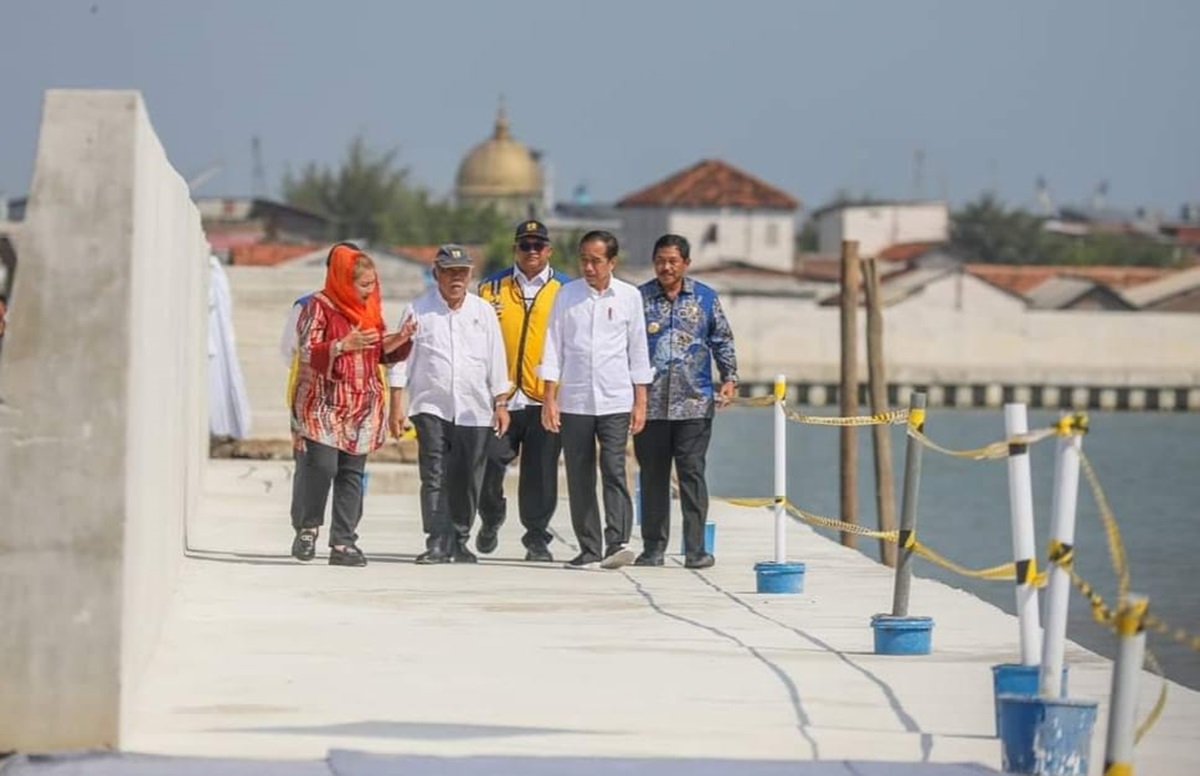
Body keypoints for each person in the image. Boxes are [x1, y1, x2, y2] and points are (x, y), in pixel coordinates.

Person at [290, 244, 414, 566]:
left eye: (373, 284)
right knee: (322, 466)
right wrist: (342, 345)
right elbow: (305, 350)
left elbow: (379, 352)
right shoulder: (318, 306)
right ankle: (308, 527)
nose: (369, 291)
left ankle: (343, 543)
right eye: (363, 285)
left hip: (363, 404)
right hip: (324, 403)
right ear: (344, 280)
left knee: (351, 473)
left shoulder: (371, 309)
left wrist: (401, 338)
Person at [389, 244, 511, 564]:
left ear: (470, 275)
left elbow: (496, 358)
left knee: (469, 475)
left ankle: (459, 537)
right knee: (434, 473)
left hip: (475, 408)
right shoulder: (417, 309)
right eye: (449, 272)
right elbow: (401, 360)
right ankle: (436, 540)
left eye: (462, 272)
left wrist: (500, 402)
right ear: (436, 274)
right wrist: (395, 405)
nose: (456, 279)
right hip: (431, 405)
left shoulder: (483, 311)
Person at [540, 231, 653, 570]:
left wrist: (640, 401)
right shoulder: (566, 295)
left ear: (612, 262)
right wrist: (549, 398)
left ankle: (617, 541)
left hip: (616, 398)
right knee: (579, 473)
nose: (588, 267)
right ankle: (589, 546)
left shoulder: (630, 296)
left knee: (614, 468)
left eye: (596, 260)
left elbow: (637, 349)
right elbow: (552, 346)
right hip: (574, 399)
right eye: (583, 259)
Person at [634, 234, 738, 570]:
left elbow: (722, 339)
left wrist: (730, 378)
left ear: (686, 264)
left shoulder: (705, 299)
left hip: (694, 404)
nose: (666, 267)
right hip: (649, 407)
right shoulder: (639, 300)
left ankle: (695, 550)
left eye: (673, 261)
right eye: (661, 261)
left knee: (692, 474)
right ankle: (653, 549)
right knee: (652, 477)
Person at [475, 220, 570, 562]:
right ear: (515, 248)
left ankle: (536, 538)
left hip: (545, 398)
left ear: (549, 250)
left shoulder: (566, 289)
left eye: (538, 245)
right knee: (489, 461)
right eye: (525, 245)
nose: (532, 251)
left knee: (541, 473)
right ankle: (490, 517)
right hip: (501, 397)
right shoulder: (491, 288)